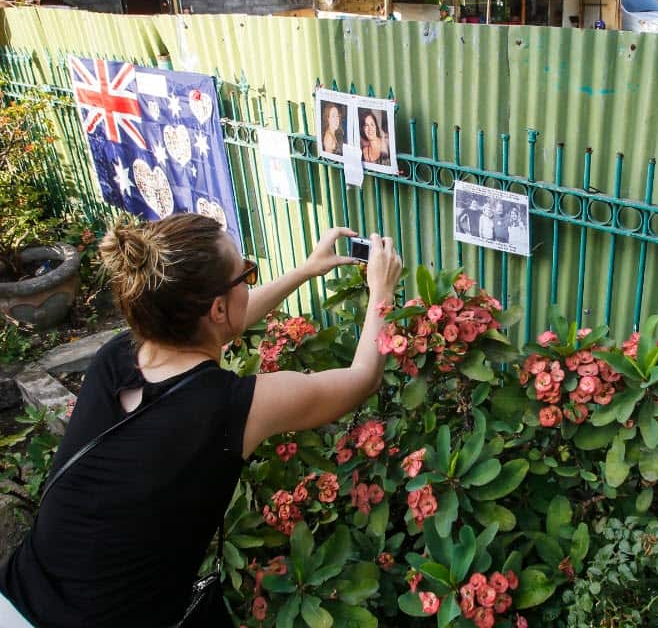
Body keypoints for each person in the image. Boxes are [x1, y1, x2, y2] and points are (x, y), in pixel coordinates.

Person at [0, 213, 401, 628]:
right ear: (216, 308)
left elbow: (221, 323)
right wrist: (381, 291)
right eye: (246, 274)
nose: (250, 281)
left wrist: (305, 270)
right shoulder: (229, 408)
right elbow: (362, 378)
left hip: (18, 600)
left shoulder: (117, 355)